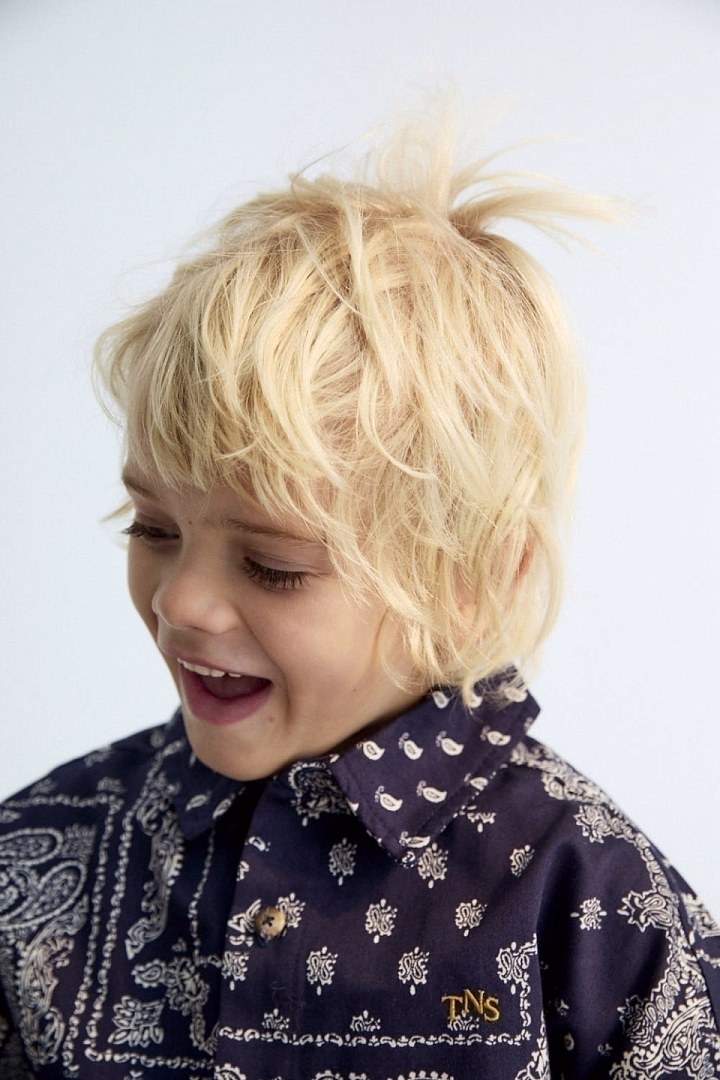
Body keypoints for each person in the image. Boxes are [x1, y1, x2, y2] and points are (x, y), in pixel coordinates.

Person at [1, 103, 718, 1080]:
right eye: (154, 528)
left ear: (468, 578)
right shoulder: (39, 860)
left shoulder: (594, 908)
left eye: (273, 564)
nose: (181, 603)